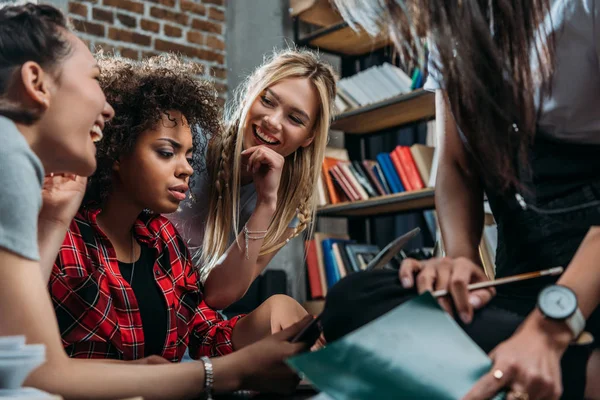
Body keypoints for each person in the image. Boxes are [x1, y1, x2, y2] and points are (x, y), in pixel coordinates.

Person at [0, 3, 312, 399]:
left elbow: (202, 326)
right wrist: (225, 372)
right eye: (94, 79)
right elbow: (38, 371)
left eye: (187, 156)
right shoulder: (11, 161)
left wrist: (261, 322)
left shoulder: (162, 240)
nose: (106, 107)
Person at [332, 1, 600, 399]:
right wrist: (460, 260)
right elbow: (456, 165)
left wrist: (549, 329)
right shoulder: (452, 29)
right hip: (524, 282)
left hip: (588, 282)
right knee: (353, 301)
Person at [49, 53, 309, 361]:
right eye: (166, 152)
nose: (187, 169)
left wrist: (268, 316)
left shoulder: (165, 241)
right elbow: (65, 365)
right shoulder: (66, 244)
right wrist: (182, 377)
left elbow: (205, 333)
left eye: (189, 156)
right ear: (117, 148)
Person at [169, 49, 337, 310]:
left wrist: (266, 203)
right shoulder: (192, 140)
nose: (272, 121)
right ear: (250, 93)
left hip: (181, 310)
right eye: (268, 101)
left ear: (309, 137)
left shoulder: (286, 208)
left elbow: (217, 296)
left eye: (294, 118)